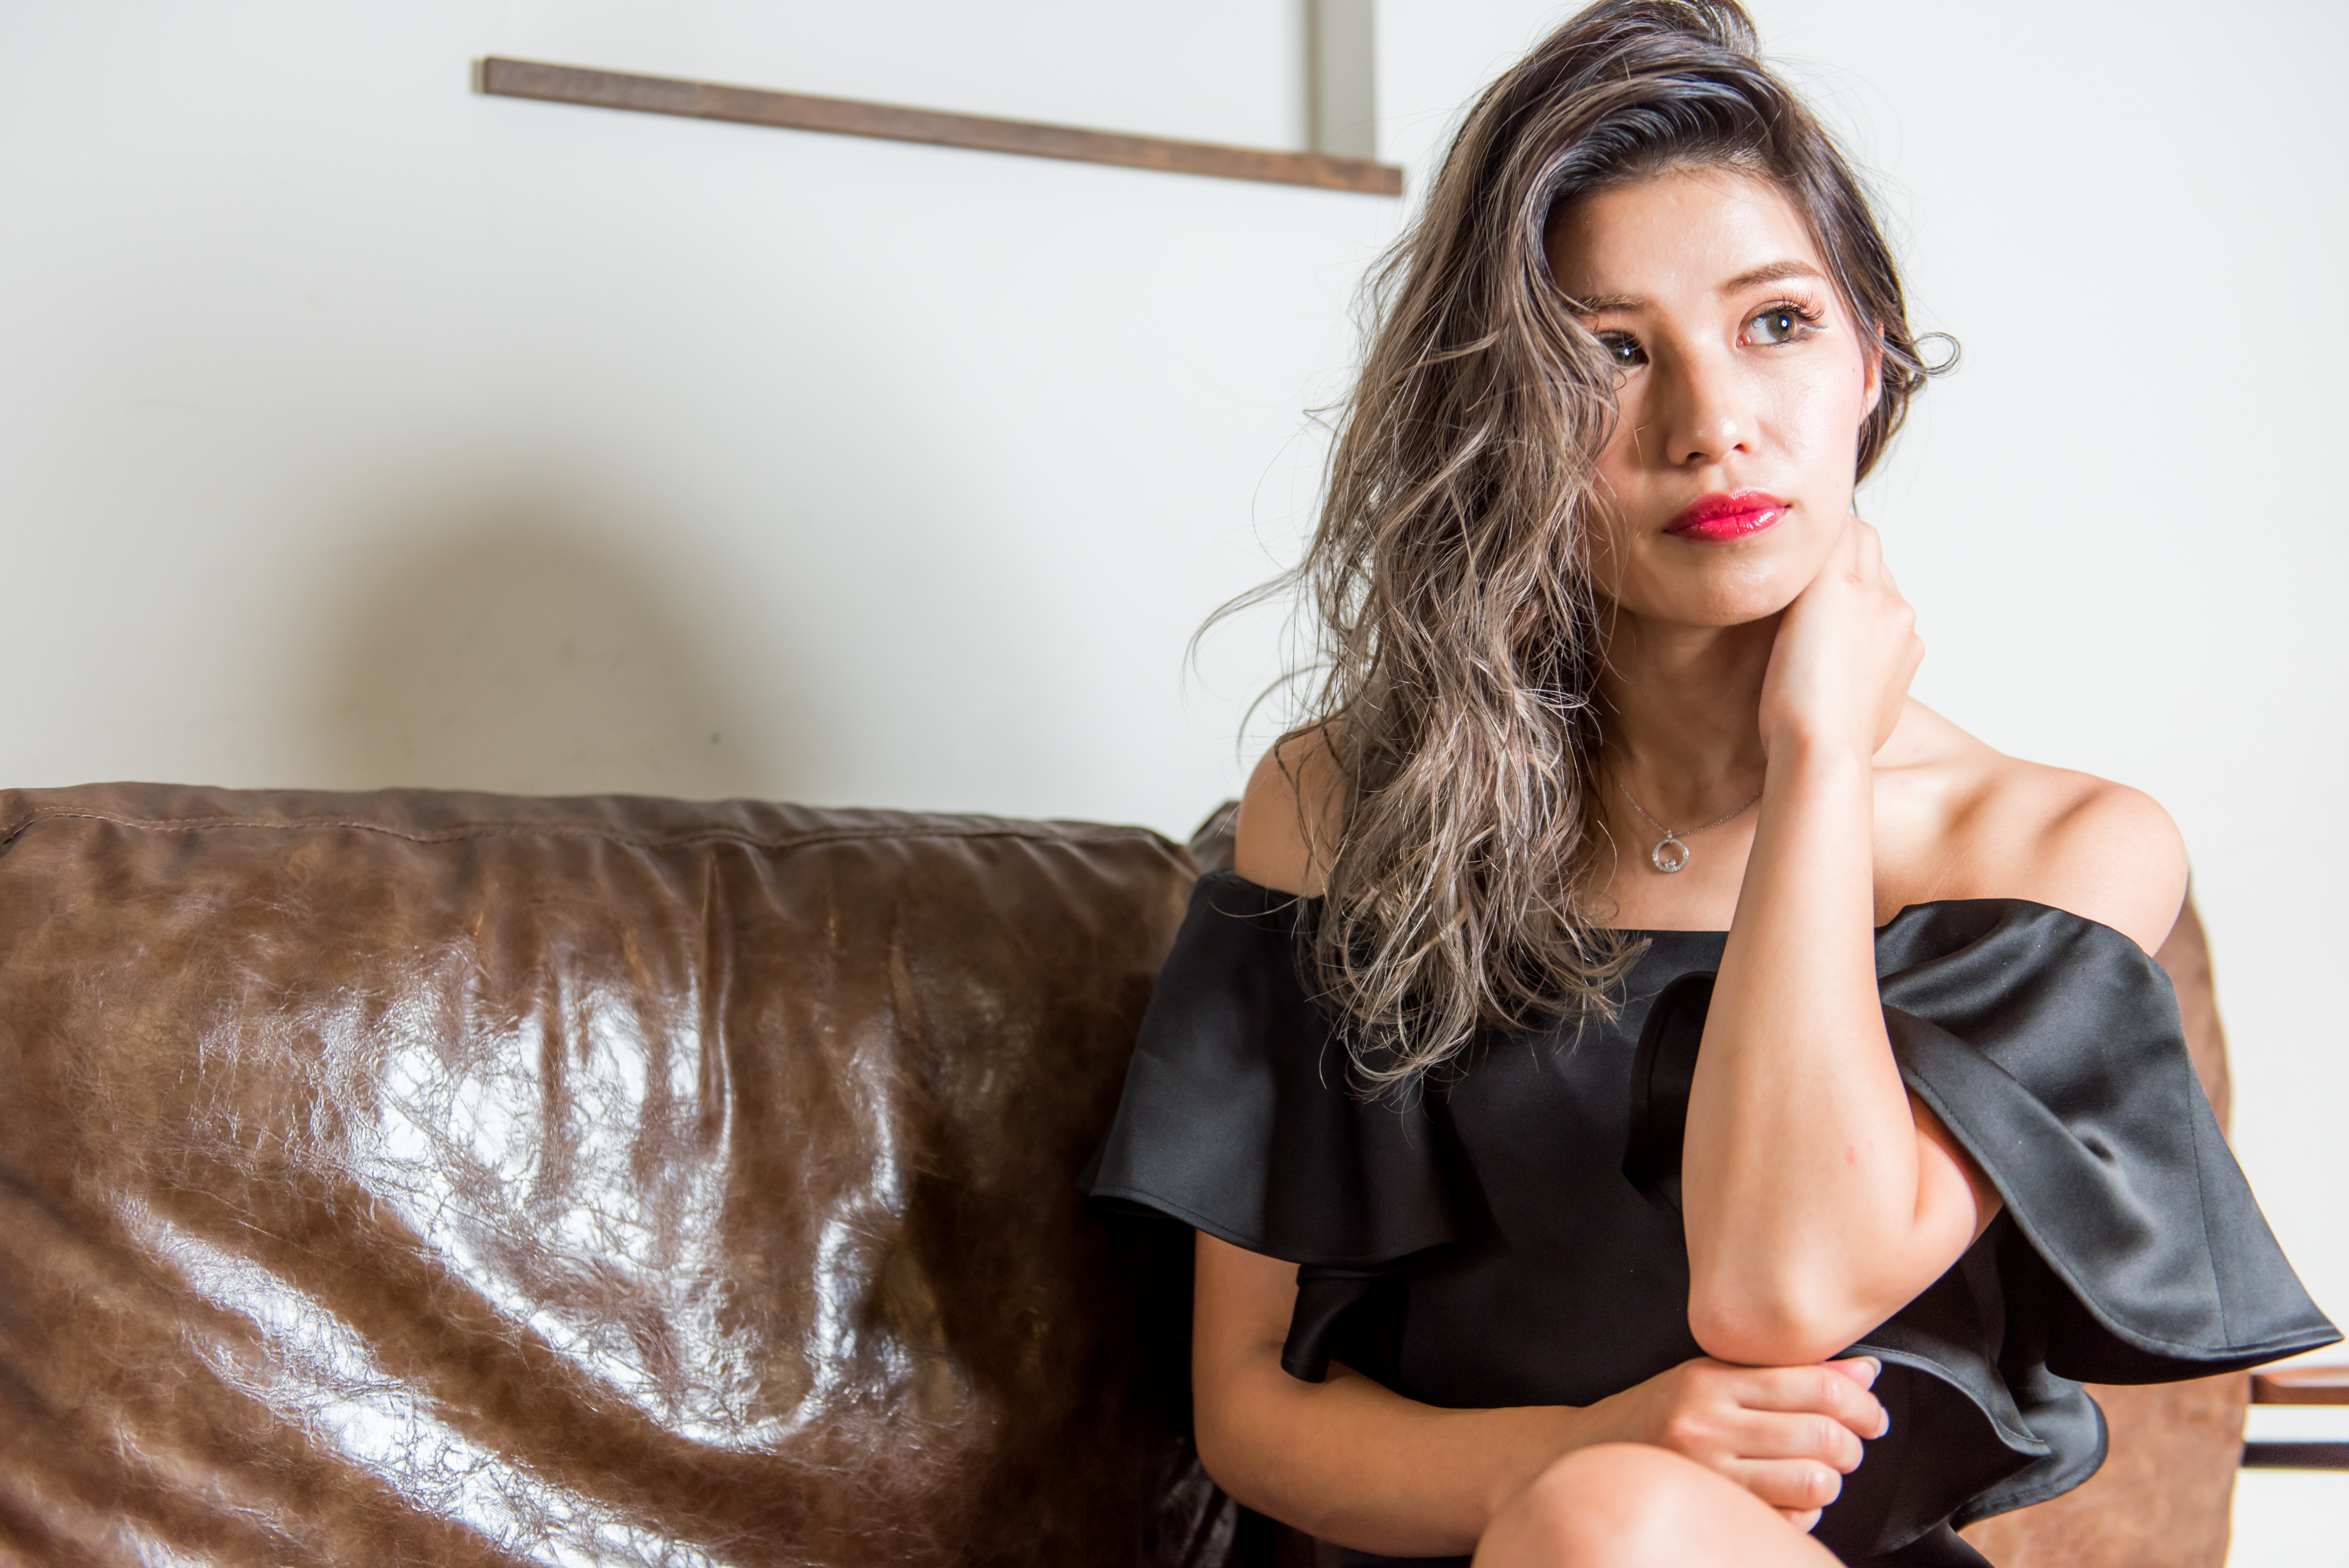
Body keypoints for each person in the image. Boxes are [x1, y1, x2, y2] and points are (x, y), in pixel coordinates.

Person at [1084, 3, 2339, 1565]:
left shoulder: (2055, 844)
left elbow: (1778, 1287)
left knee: (1617, 1525)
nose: (1712, 424)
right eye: (1611, 352)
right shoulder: (1341, 804)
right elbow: (1250, 1410)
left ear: (1869, 358)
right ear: (1502, 410)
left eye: (1777, 322)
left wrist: (1818, 759)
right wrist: (1588, 1451)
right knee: (1606, 1510)